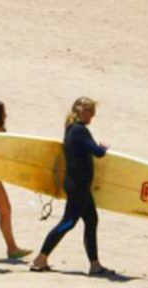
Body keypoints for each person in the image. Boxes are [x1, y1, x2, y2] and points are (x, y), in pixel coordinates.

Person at [30, 97, 113, 277]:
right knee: (68, 222)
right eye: (90, 111)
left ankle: (95, 264)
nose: (92, 115)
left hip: (78, 185)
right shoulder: (79, 131)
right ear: (80, 111)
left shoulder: (71, 130)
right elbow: (97, 153)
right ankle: (40, 259)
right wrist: (103, 147)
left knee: (91, 220)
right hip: (78, 186)